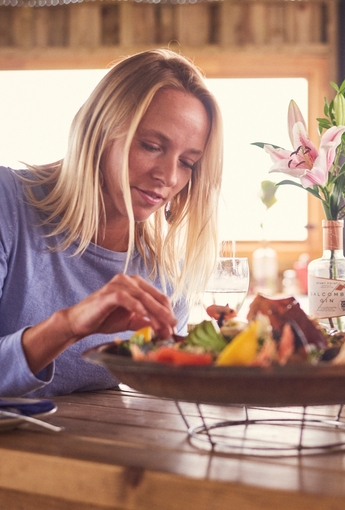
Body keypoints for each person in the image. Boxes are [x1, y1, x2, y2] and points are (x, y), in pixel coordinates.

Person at [0, 49, 223, 398]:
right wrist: (67, 326)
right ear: (99, 130)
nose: (167, 176)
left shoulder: (164, 279)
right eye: (151, 146)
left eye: (188, 162)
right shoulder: (7, 204)